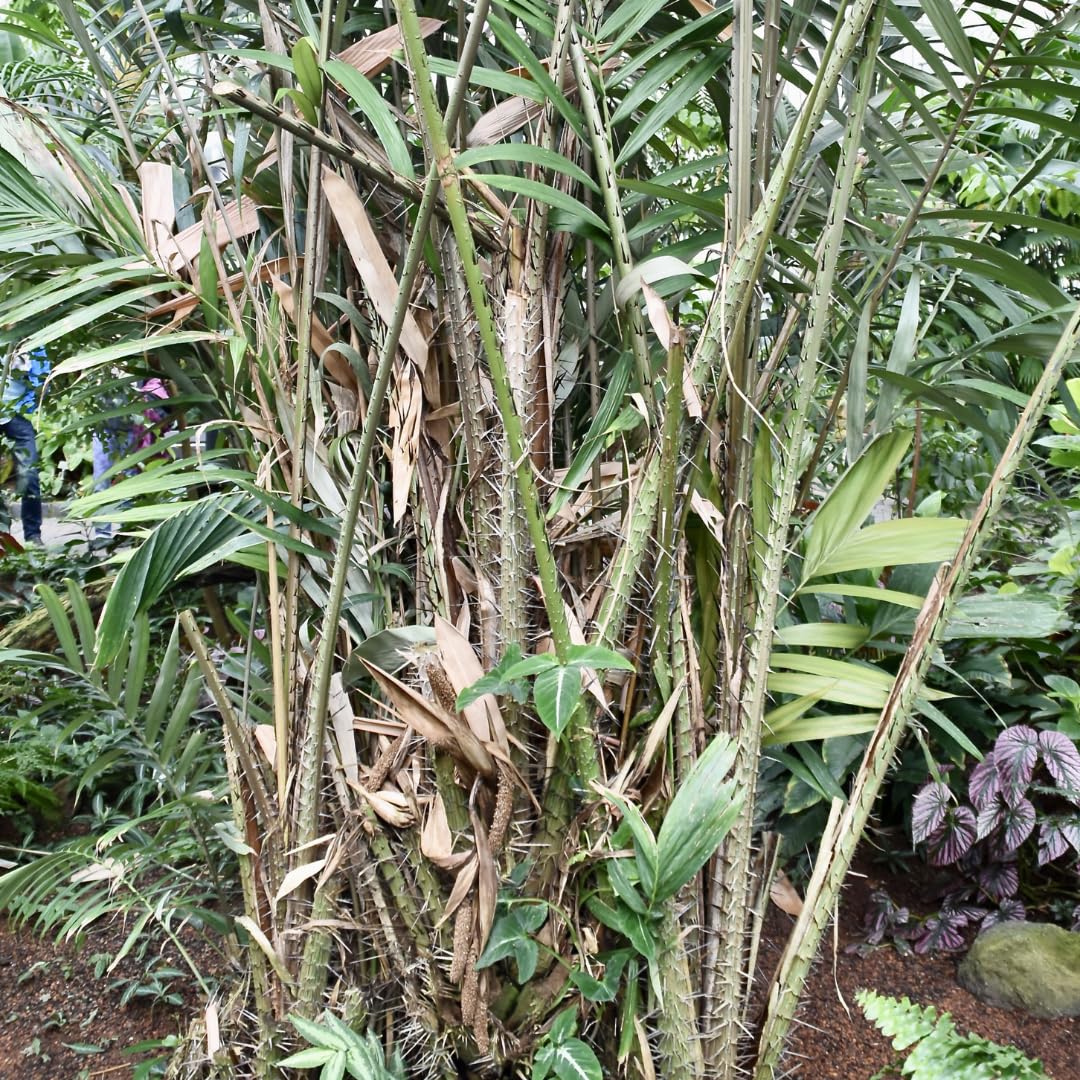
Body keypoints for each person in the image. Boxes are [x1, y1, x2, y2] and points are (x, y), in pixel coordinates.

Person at [0, 348, 46, 545]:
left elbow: (41, 376)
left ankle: (33, 536)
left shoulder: (32, 341)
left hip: (15, 413)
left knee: (29, 474)